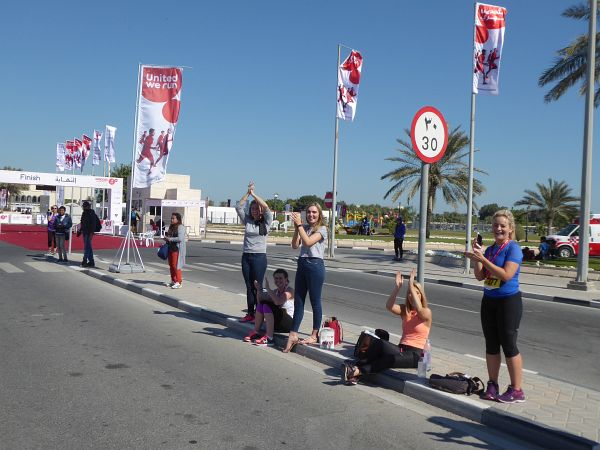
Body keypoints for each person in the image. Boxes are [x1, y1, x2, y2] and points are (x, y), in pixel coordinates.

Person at [464, 209, 526, 404]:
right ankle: (493, 384)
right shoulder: (490, 249)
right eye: (495, 225)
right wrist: (477, 258)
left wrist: (484, 260)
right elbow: (481, 276)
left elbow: (506, 275)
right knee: (491, 344)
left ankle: (517, 390)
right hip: (489, 300)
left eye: (502, 225)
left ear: (510, 229)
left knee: (508, 345)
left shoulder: (513, 248)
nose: (498, 228)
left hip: (508, 301)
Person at [342, 269, 432, 385]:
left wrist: (410, 284)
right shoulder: (405, 311)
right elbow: (389, 306)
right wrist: (397, 288)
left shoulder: (426, 312)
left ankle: (357, 372)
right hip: (401, 348)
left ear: (421, 296)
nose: (411, 295)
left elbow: (419, 309)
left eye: (416, 293)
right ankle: (356, 368)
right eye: (409, 292)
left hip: (416, 355)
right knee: (380, 343)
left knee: (389, 360)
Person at [283, 203, 327, 353]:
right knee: (299, 302)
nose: (311, 215)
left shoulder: (322, 229)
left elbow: (308, 243)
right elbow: (295, 245)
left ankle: (314, 334)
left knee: (315, 302)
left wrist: (300, 225)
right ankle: (293, 334)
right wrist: (297, 228)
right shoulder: (305, 228)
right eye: (308, 212)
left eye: (314, 212)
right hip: (302, 264)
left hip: (315, 266)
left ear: (319, 214)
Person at [235, 182, 273, 323]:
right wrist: (248, 193)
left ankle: (260, 314)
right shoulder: (248, 221)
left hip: (259, 257)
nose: (254, 211)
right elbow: (238, 207)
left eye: (257, 208)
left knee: (258, 287)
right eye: (252, 208)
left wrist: (255, 195)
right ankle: (250, 313)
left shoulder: (267, 221)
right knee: (249, 286)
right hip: (246, 257)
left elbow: (266, 207)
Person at [243, 269, 294, 346]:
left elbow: (278, 302)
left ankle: (270, 338)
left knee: (267, 305)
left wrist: (268, 289)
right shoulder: (275, 291)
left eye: (280, 278)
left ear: (286, 279)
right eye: (276, 278)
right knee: (262, 305)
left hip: (288, 324)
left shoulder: (289, 290)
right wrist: (259, 290)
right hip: (277, 323)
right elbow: (260, 302)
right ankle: (256, 332)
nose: (278, 280)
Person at [164, 212, 186, 289]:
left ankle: (179, 282)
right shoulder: (172, 226)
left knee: (176, 265)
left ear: (178, 219)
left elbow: (180, 239)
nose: (172, 220)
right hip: (170, 248)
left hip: (177, 249)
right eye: (171, 218)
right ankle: (173, 280)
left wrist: (170, 239)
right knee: (171, 265)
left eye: (173, 218)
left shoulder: (181, 227)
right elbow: (170, 236)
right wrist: (166, 238)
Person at [78, 201, 99, 267]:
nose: (84, 207)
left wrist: (91, 233)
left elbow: (93, 224)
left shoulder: (91, 213)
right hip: (85, 232)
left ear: (88, 206)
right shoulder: (84, 213)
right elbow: (82, 223)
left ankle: (84, 261)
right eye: (83, 206)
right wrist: (80, 230)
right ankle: (91, 261)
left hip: (89, 232)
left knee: (87, 247)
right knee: (88, 247)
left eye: (85, 206)